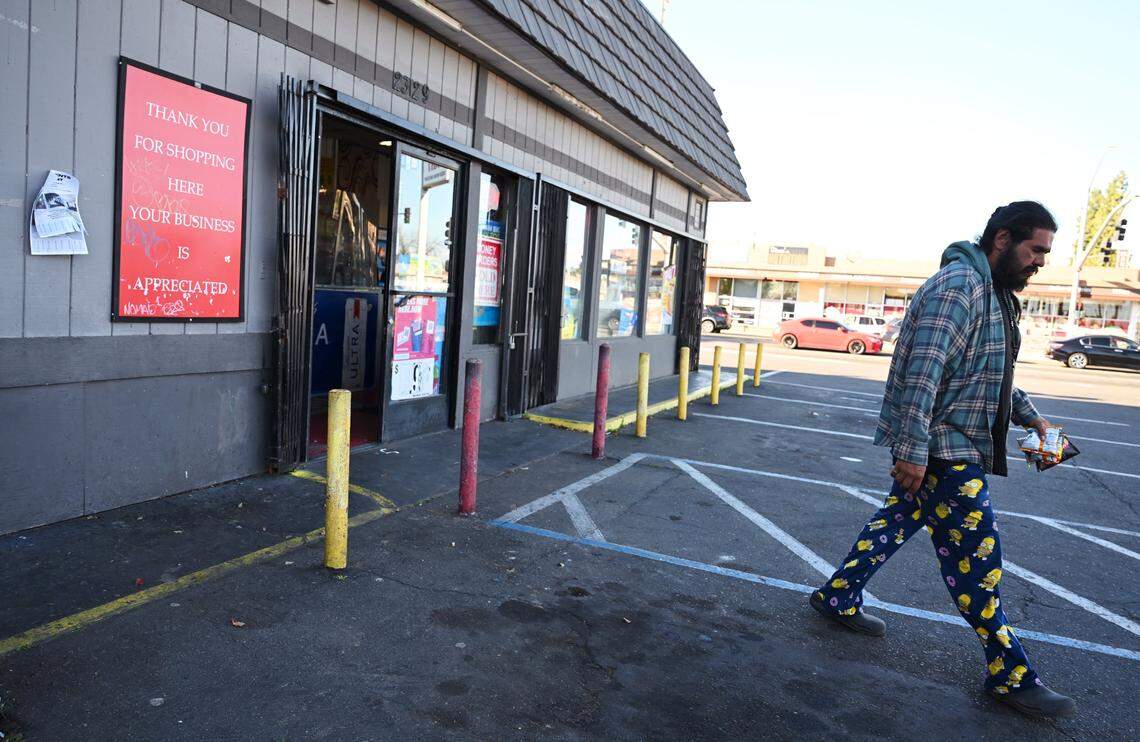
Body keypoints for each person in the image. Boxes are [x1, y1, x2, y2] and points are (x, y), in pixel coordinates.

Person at [808, 202, 1076, 718]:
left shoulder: (994, 293)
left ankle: (837, 597)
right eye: (1035, 249)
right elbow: (923, 373)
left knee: (894, 522)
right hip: (941, 450)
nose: (1040, 261)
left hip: (947, 446)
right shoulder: (959, 287)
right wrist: (911, 452)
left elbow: (989, 372)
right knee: (979, 563)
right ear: (1002, 239)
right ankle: (1010, 675)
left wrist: (1031, 419)